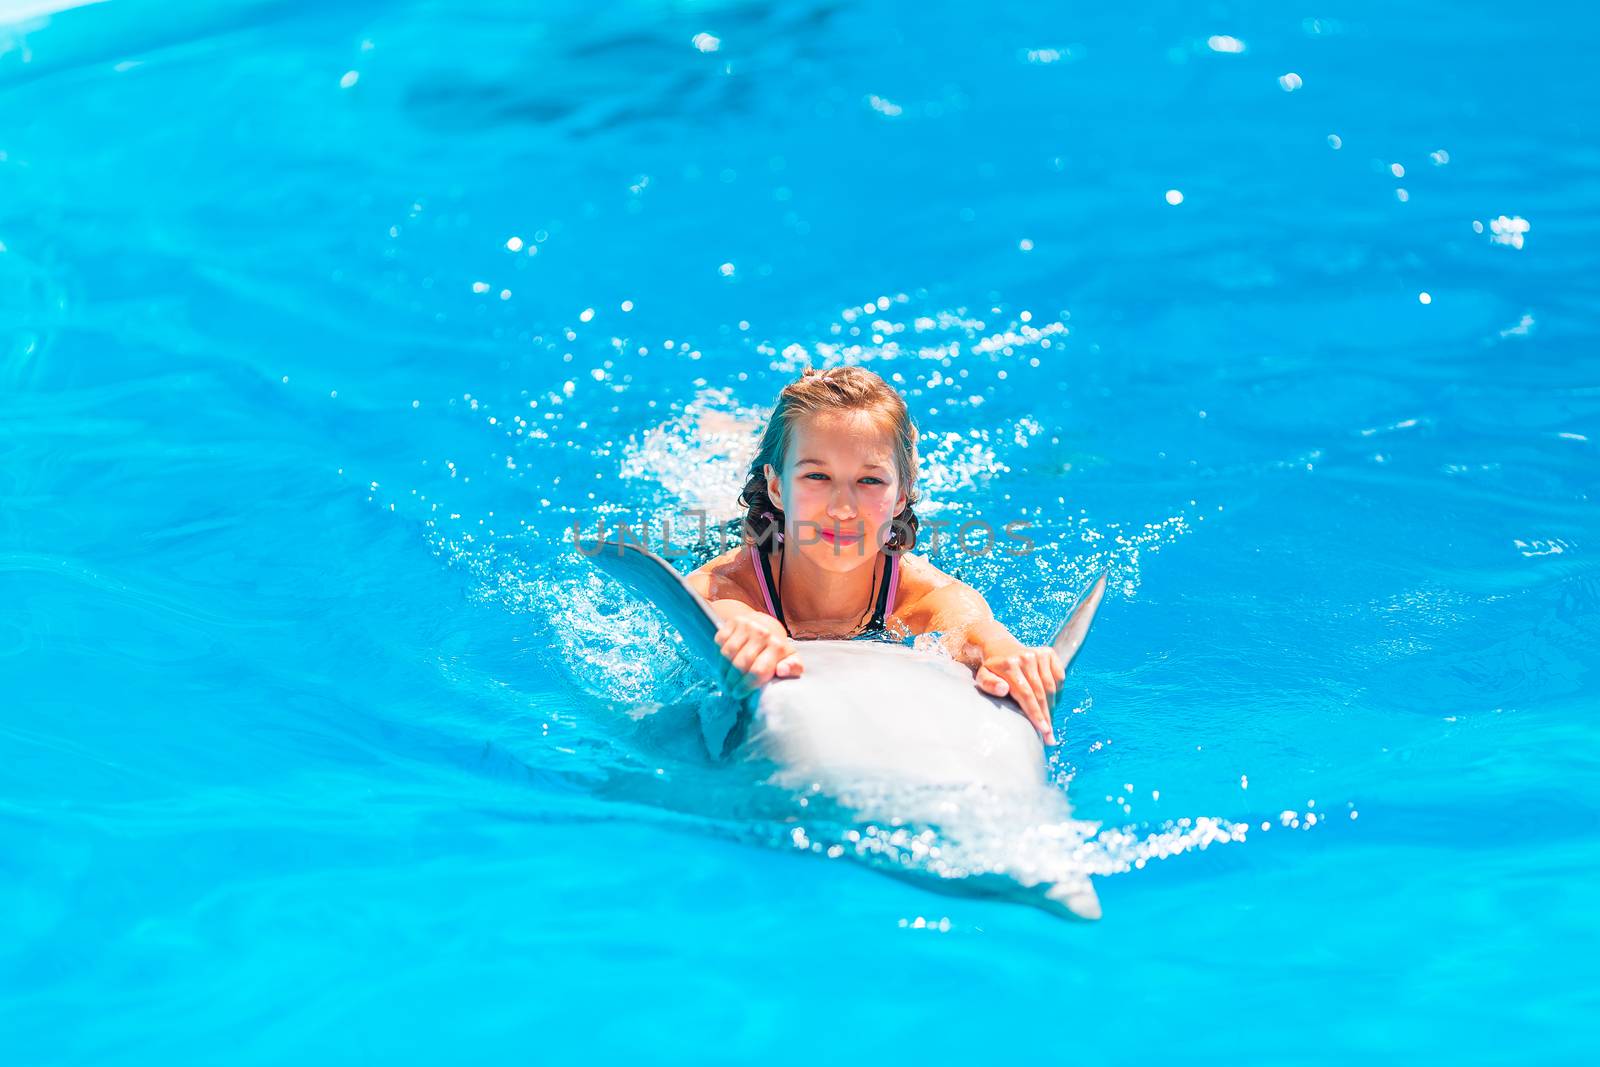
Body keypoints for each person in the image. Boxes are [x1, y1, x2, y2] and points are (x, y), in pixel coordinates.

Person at [685, 365, 1067, 744]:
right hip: (764, 538)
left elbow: (971, 630)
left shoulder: (923, 593)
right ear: (777, 487)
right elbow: (722, 610)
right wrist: (754, 633)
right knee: (717, 511)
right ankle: (725, 437)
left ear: (901, 496)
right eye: (816, 476)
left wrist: (1005, 652)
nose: (843, 508)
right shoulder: (728, 583)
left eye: (870, 480)